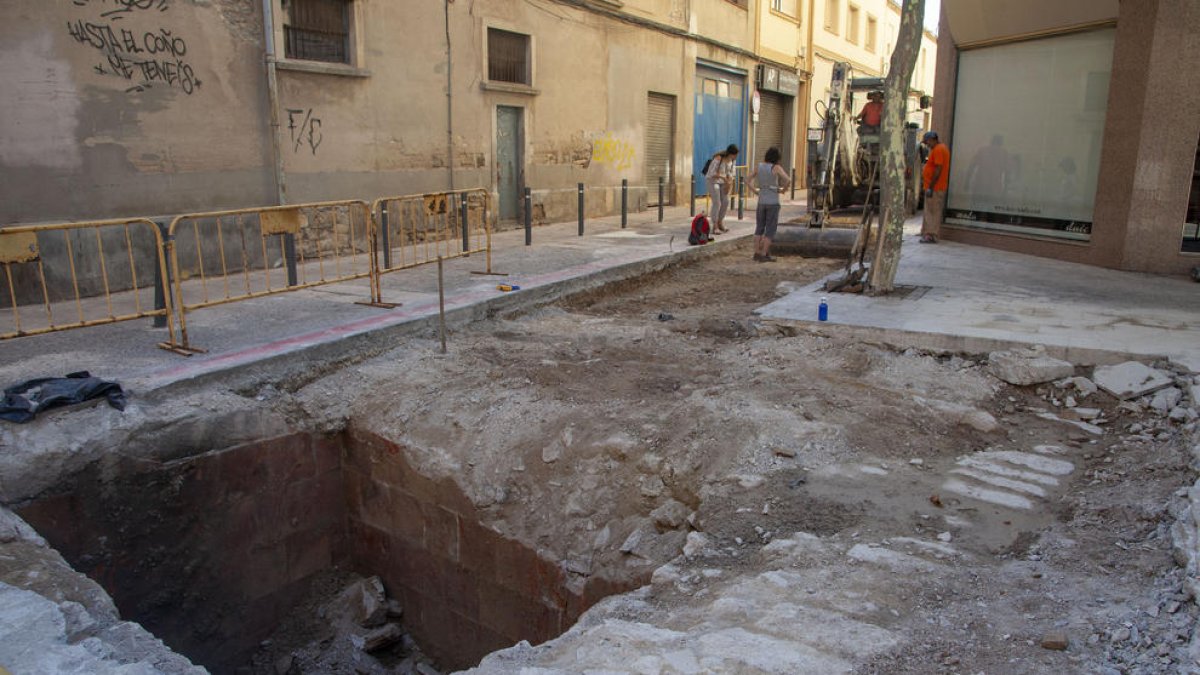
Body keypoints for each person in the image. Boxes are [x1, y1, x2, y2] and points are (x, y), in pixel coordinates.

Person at [749, 146, 791, 262]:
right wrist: (783, 190)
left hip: (761, 201)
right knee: (770, 229)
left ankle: (756, 253)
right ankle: (764, 254)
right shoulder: (776, 167)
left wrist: (754, 191)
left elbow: (747, 179)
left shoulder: (759, 166)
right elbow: (788, 180)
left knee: (759, 228)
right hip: (773, 201)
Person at [919, 131, 950, 243]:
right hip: (933, 187)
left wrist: (931, 187)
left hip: (935, 188)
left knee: (933, 212)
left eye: (927, 142)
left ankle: (931, 235)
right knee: (929, 211)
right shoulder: (938, 149)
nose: (927, 145)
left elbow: (938, 169)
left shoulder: (938, 150)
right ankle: (927, 232)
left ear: (933, 139)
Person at [704, 144, 739, 234]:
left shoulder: (732, 161)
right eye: (735, 155)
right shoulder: (718, 159)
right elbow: (711, 173)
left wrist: (729, 184)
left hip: (724, 183)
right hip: (713, 181)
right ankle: (715, 225)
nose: (735, 157)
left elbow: (732, 174)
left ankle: (720, 222)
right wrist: (723, 178)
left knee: (726, 201)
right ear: (730, 154)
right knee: (717, 202)